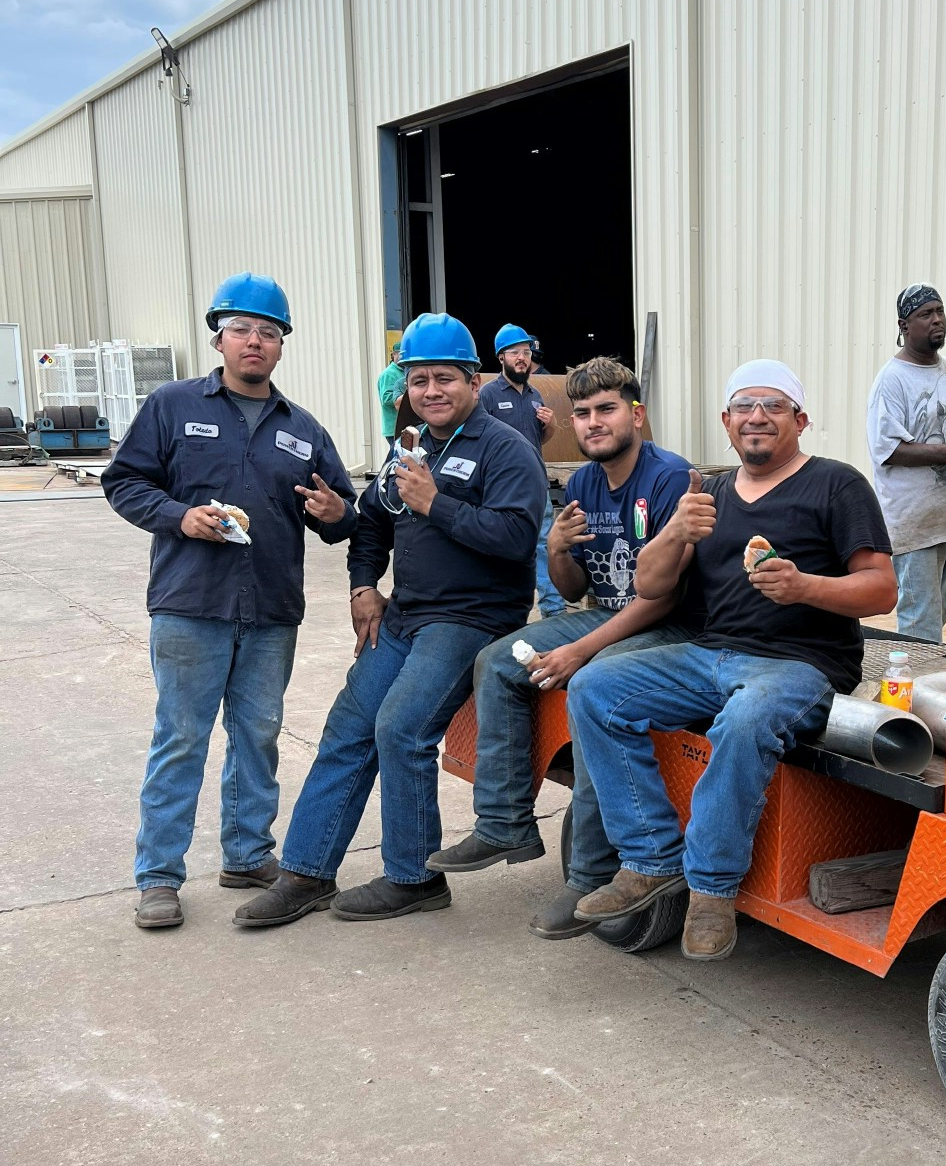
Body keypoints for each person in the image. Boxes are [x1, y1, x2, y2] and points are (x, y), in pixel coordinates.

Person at [566, 360, 896, 961]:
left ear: (801, 419)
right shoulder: (709, 493)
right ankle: (650, 861)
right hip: (710, 653)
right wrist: (674, 533)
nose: (757, 417)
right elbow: (650, 583)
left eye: (773, 406)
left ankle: (711, 889)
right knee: (594, 687)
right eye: (745, 406)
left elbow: (881, 590)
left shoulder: (836, 484)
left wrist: (805, 588)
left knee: (745, 722)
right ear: (726, 421)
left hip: (800, 663)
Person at [234, 314, 547, 929]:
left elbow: (516, 538)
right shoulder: (411, 446)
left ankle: (414, 878)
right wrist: (363, 586)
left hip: (471, 620)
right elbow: (373, 520)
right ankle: (306, 872)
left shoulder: (507, 449)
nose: (431, 391)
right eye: (419, 379)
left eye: (444, 379)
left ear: (474, 381)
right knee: (349, 726)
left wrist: (438, 504)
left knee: (402, 728)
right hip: (405, 615)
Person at [101, 273, 357, 930]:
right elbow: (124, 479)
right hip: (191, 605)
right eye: (242, 329)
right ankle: (159, 876)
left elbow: (340, 515)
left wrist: (335, 512)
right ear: (219, 338)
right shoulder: (173, 405)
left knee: (258, 737)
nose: (254, 341)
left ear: (281, 346)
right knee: (181, 738)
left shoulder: (301, 429)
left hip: (270, 611)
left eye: (268, 333)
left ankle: (247, 855)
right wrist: (177, 517)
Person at [426, 355, 697, 937]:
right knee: (496, 661)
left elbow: (666, 597)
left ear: (636, 414)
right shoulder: (582, 482)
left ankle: (589, 876)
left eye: (607, 409)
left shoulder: (668, 476)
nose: (594, 422)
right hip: (606, 613)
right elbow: (578, 587)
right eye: (582, 413)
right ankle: (504, 825)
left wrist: (581, 653)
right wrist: (554, 551)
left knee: (596, 698)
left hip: (669, 624)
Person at [866, 283, 946, 640]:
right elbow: (888, 450)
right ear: (904, 325)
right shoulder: (891, 381)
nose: (937, 320)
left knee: (941, 614)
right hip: (917, 526)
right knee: (920, 625)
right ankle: (909, 693)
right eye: (926, 314)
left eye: (940, 311)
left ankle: (927, 684)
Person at [480, 322, 563, 617]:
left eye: (526, 352)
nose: (522, 357)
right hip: (502, 488)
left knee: (545, 543)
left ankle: (553, 609)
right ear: (501, 357)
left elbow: (540, 439)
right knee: (504, 546)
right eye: (514, 352)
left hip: (536, 483)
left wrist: (551, 426)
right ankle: (503, 607)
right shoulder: (487, 396)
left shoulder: (535, 396)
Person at [376, 341, 406, 441]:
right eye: (400, 353)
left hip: (406, 426)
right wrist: (405, 396)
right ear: (394, 354)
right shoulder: (388, 374)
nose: (403, 356)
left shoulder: (406, 371)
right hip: (394, 428)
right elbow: (386, 399)